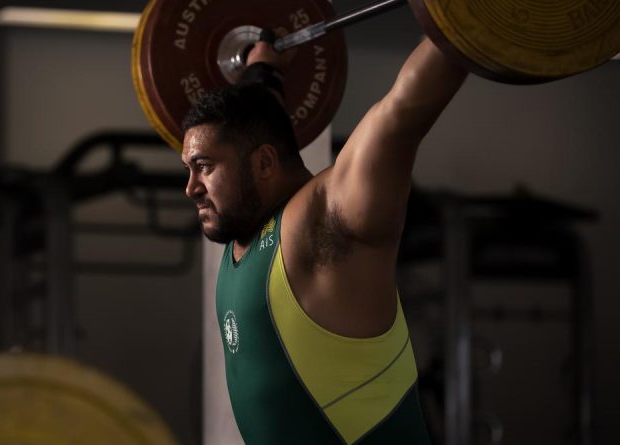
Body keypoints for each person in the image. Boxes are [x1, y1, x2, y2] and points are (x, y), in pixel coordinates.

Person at [181, 34, 467, 444]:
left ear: (264, 162)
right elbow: (261, 119)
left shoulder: (323, 220)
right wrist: (264, 70)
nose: (190, 188)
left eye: (203, 167)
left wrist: (459, 25)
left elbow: (402, 111)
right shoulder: (248, 226)